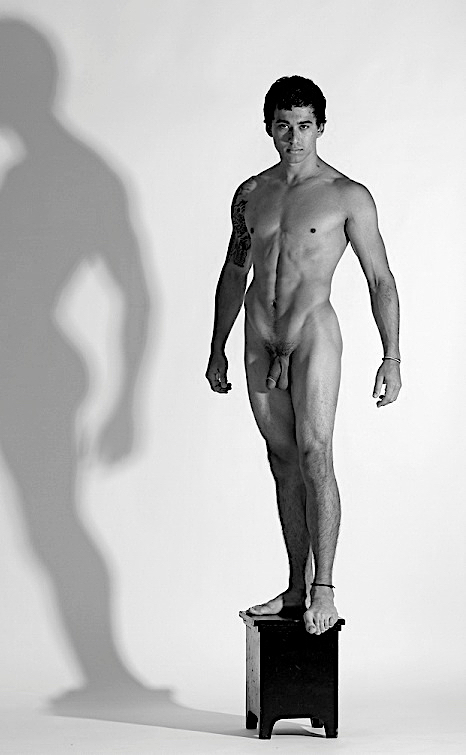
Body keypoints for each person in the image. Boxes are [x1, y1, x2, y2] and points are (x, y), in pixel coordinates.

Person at [205, 75, 401, 635]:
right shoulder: (251, 194)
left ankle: (325, 588)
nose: (294, 138)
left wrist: (391, 356)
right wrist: (217, 346)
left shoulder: (347, 195)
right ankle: (295, 587)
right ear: (269, 128)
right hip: (258, 333)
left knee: (316, 454)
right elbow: (234, 271)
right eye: (284, 126)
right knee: (282, 460)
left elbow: (380, 278)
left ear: (321, 127)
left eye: (305, 126)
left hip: (312, 331)